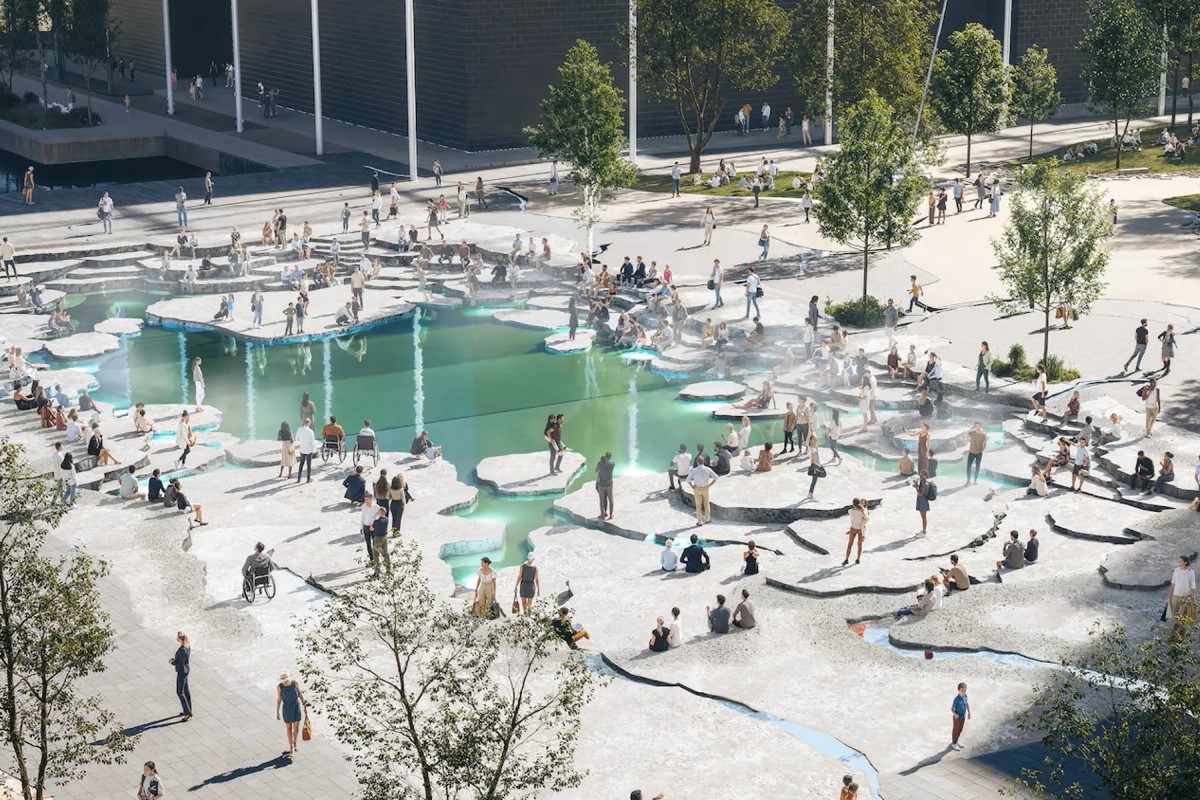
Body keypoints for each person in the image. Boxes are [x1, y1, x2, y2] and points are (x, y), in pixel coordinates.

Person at [276, 671, 306, 757]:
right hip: (287, 708)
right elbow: (279, 699)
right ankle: (291, 747)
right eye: (283, 680)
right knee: (289, 728)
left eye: (285, 680)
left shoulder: (294, 683)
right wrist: (277, 712)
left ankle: (294, 742)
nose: (284, 681)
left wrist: (304, 705)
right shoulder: (279, 687)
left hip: (296, 707)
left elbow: (300, 694)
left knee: (296, 728)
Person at [686, 457, 718, 525]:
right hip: (705, 488)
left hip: (697, 489)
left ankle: (699, 522)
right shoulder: (708, 469)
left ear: (697, 462)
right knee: (706, 504)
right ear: (704, 462)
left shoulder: (694, 470)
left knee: (698, 506)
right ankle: (707, 519)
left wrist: (692, 486)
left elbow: (688, 480)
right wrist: (710, 485)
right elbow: (716, 477)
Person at [1167, 555, 1197, 626]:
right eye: (1178, 561)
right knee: (1175, 612)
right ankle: (1177, 628)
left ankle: (1182, 630)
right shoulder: (1176, 570)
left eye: (1180, 561)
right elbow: (1173, 582)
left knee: (1183, 614)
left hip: (1185, 597)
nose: (1178, 562)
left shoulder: (1191, 572)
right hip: (1176, 595)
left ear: (1185, 562)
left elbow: (1193, 585)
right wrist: (1169, 593)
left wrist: (1194, 597)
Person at [169, 631, 192, 721]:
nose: (176, 638)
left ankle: (187, 713)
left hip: (182, 672)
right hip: (186, 670)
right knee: (186, 691)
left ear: (180, 638)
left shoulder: (182, 650)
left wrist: (172, 662)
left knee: (180, 692)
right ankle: (188, 709)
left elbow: (180, 663)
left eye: (177, 637)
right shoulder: (187, 646)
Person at [843, 498, 868, 565]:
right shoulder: (861, 511)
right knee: (859, 545)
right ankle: (858, 559)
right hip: (860, 529)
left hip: (853, 528)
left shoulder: (850, 511)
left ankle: (846, 559)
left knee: (850, 544)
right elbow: (866, 518)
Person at [369, 505, 391, 575]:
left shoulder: (376, 522)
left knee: (376, 555)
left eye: (378, 512)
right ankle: (388, 570)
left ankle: (377, 572)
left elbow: (371, 529)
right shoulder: (386, 519)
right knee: (386, 554)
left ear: (381, 513)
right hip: (384, 537)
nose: (377, 512)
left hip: (377, 539)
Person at [595, 451, 616, 520]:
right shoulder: (612, 464)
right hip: (609, 484)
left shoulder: (600, 464)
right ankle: (611, 515)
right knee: (610, 499)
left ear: (605, 456)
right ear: (610, 457)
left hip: (601, 485)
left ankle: (602, 515)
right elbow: (612, 463)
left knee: (601, 500)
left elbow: (596, 471)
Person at [294, 418, 316, 483]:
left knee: (301, 464)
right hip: (309, 449)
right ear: (309, 423)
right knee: (309, 464)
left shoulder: (299, 429)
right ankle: (308, 479)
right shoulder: (310, 431)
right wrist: (314, 447)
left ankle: (298, 479)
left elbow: (296, 438)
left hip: (302, 449)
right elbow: (312, 442)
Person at [951, 683, 971, 750]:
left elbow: (967, 704)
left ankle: (957, 741)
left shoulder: (965, 696)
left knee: (960, 729)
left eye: (965, 690)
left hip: (963, 716)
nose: (963, 692)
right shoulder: (956, 699)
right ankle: (954, 743)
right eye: (962, 690)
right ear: (958, 690)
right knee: (955, 730)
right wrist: (955, 714)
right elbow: (952, 709)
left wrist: (969, 713)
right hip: (957, 718)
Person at [805, 434, 824, 501]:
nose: (815, 440)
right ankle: (811, 494)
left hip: (815, 465)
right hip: (815, 466)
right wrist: (819, 466)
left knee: (814, 480)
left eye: (815, 439)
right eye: (813, 439)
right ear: (810, 441)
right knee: (814, 481)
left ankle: (810, 494)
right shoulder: (812, 449)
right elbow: (813, 460)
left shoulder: (813, 448)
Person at [914, 470, 932, 535]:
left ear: (925, 476)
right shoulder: (923, 483)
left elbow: (921, 494)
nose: (920, 476)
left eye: (922, 475)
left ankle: (924, 531)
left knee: (924, 517)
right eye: (920, 475)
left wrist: (916, 488)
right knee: (923, 517)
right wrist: (917, 486)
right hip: (922, 501)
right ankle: (924, 530)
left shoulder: (925, 484)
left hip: (923, 502)